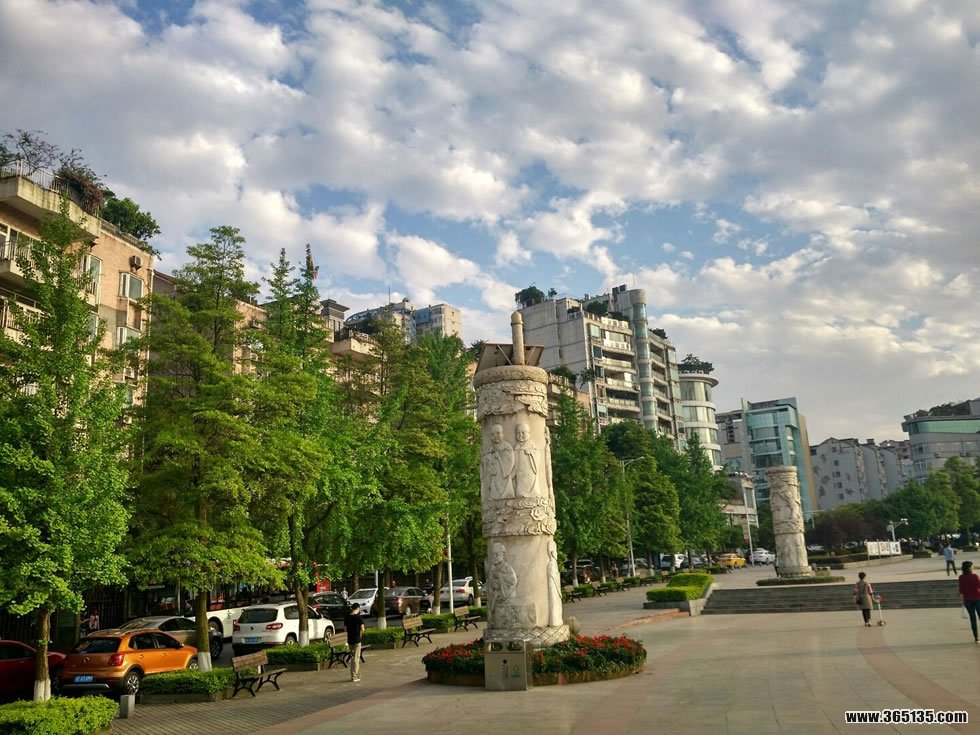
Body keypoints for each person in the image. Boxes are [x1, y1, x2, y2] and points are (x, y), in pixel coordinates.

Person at [958, 560, 980, 643]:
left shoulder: (961, 577)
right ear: (969, 568)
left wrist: (962, 602)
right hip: (977, 599)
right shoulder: (975, 576)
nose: (973, 567)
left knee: (972, 619)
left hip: (967, 600)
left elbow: (961, 590)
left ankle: (976, 638)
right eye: (972, 566)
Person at [343, 603, 366, 682]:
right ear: (358, 608)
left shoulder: (347, 617)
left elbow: (345, 629)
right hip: (357, 640)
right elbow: (363, 629)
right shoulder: (359, 617)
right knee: (356, 659)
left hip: (350, 640)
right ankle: (354, 676)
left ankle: (357, 674)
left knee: (353, 657)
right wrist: (361, 633)